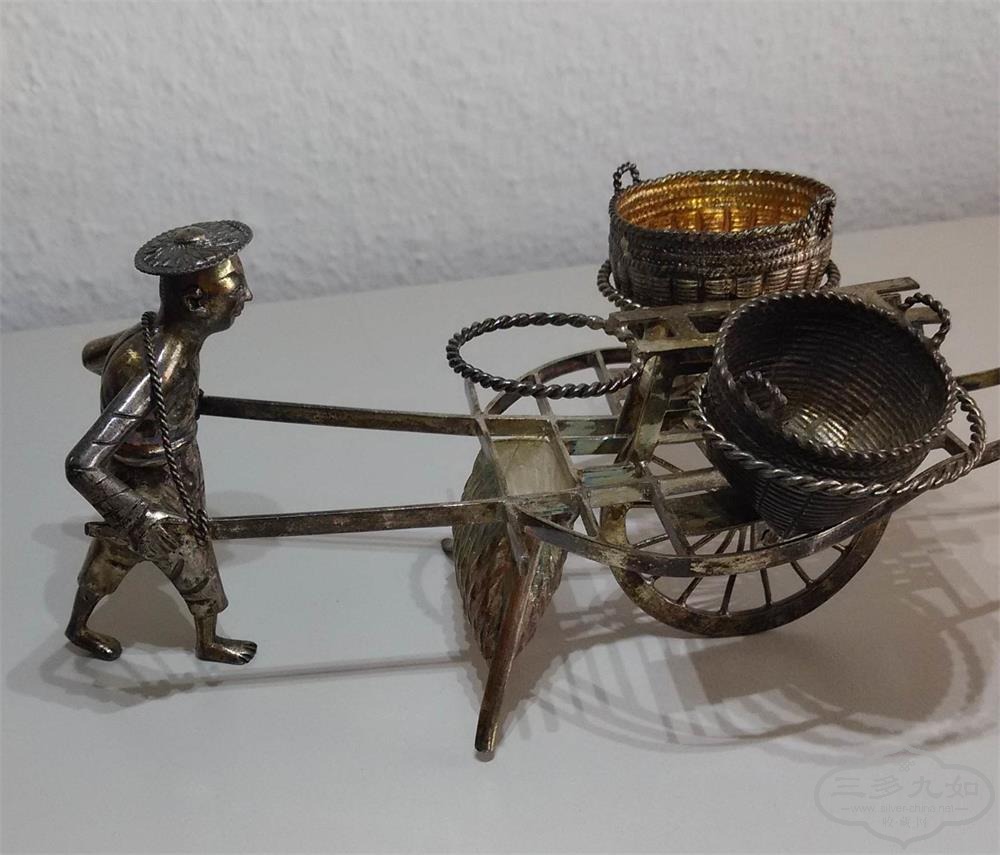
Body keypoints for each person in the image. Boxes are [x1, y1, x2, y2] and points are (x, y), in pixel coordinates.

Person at [64, 221, 257, 664]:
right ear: (196, 301)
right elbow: (82, 463)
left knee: (114, 553)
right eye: (235, 286)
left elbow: (92, 355)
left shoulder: (147, 336)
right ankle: (208, 641)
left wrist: (162, 407)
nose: (246, 296)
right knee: (193, 556)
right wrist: (142, 515)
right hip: (156, 483)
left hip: (157, 464)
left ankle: (78, 626)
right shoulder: (163, 364)